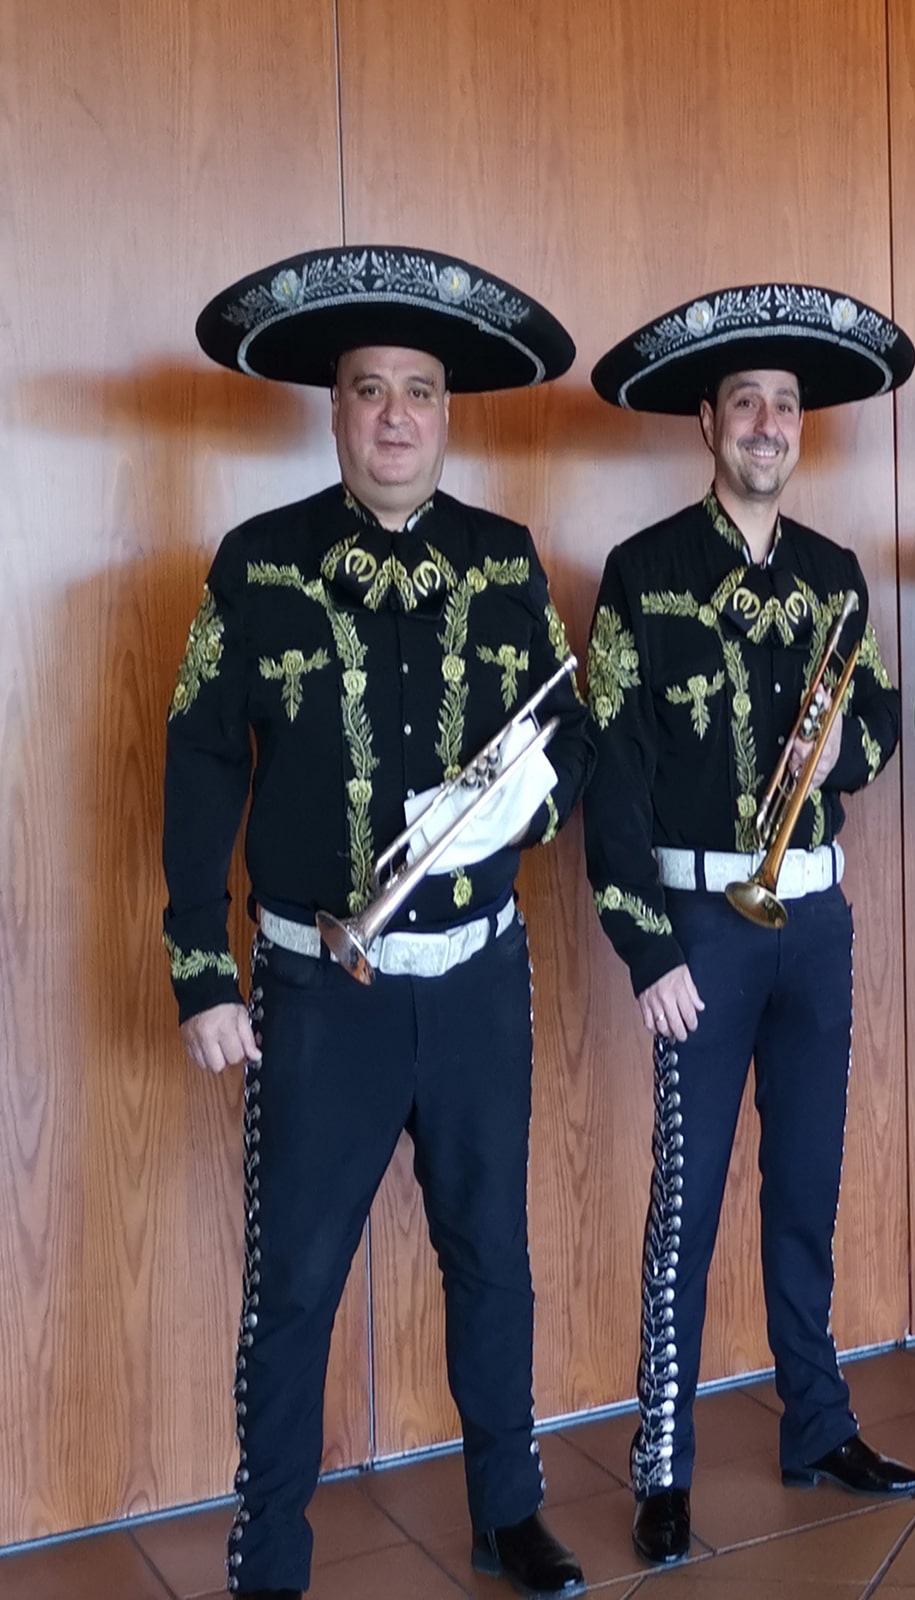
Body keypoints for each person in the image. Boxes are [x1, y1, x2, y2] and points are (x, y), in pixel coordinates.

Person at [168, 246, 591, 1599]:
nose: (397, 415)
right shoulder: (258, 564)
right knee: (293, 1280)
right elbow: (198, 766)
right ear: (337, 412)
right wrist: (201, 972)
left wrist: (518, 806)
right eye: (370, 391)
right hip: (317, 991)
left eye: (419, 391)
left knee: (492, 1260)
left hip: (476, 978)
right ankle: (270, 1552)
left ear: (446, 413)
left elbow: (568, 741)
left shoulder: (506, 562)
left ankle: (506, 1511)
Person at [584, 283, 915, 1563]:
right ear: (708, 427)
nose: (768, 425)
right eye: (746, 407)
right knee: (690, 1197)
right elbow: (607, 777)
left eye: (784, 408)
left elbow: (880, 723)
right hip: (701, 922)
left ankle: (816, 1420)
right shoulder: (644, 572)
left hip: (815, 919)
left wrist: (844, 755)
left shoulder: (836, 574)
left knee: (808, 1183)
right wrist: (647, 946)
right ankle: (661, 1457)